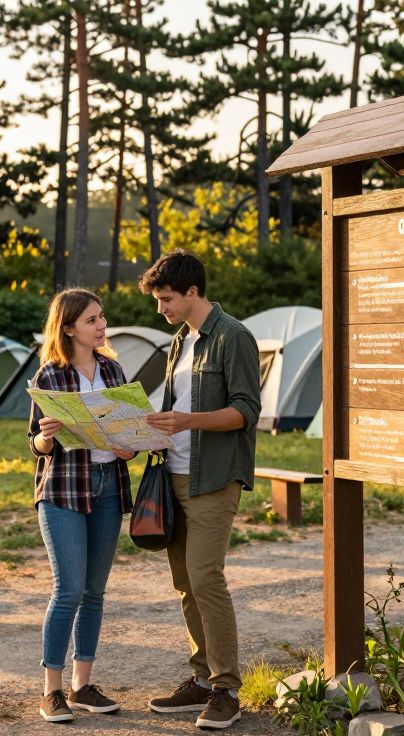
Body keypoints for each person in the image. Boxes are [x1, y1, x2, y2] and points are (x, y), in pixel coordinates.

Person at [139, 250, 261, 730]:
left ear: (192, 292)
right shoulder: (178, 342)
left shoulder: (235, 337)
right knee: (185, 583)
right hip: (174, 474)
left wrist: (190, 421)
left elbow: (245, 411)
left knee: (206, 577)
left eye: (166, 299)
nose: (161, 308)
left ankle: (227, 689)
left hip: (214, 477)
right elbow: (175, 407)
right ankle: (202, 679)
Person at [27, 288, 137, 723]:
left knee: (94, 592)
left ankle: (82, 685)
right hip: (62, 490)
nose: (101, 325)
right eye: (92, 319)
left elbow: (128, 436)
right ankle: (52, 692)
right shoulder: (49, 376)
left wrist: (130, 446)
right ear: (69, 327)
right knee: (68, 590)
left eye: (102, 317)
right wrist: (47, 437)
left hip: (109, 486)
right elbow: (35, 444)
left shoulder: (113, 370)